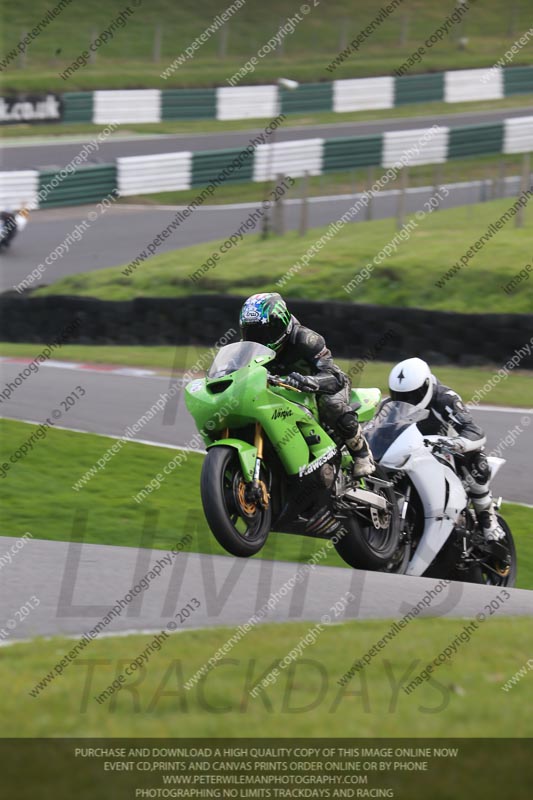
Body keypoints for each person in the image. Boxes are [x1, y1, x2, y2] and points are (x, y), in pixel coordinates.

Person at [239, 292, 375, 478]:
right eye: (251, 333)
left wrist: (309, 381)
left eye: (263, 332)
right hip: (282, 394)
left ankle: (362, 455)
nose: (258, 339)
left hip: (323, 387)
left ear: (281, 324)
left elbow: (334, 377)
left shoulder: (306, 339)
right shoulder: (247, 348)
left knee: (331, 405)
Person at [388, 356, 503, 541]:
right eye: (400, 396)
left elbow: (474, 431)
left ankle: (487, 517)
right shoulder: (391, 407)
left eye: (412, 395)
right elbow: (376, 430)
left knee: (476, 460)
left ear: (426, 386)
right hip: (413, 455)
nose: (406, 401)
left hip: (448, 452)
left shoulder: (445, 398)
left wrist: (457, 443)